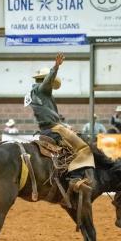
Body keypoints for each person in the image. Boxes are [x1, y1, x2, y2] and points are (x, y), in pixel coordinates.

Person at [25, 52, 95, 195]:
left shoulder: (35, 93)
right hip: (53, 128)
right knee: (82, 147)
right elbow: (47, 82)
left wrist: (64, 125)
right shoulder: (42, 89)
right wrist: (56, 67)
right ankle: (75, 178)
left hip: (48, 127)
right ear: (45, 80)